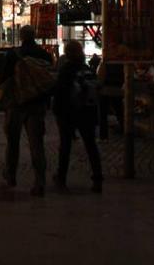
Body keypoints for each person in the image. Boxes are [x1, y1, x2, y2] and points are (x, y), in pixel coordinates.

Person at [0, 25, 53, 197]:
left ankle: (11, 175)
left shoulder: (13, 54)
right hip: (36, 104)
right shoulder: (44, 55)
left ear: (21, 37)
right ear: (34, 36)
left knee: (12, 142)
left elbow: (4, 78)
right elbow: (49, 81)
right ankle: (40, 181)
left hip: (17, 103)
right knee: (37, 144)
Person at [52, 41, 103, 193]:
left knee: (65, 146)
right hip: (87, 112)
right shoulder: (87, 69)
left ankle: (61, 178)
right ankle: (97, 178)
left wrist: (57, 111)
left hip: (68, 112)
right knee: (90, 145)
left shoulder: (66, 70)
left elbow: (59, 92)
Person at [96, 61, 125, 141]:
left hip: (105, 90)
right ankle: (125, 130)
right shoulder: (121, 62)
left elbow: (101, 76)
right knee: (120, 112)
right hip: (118, 90)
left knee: (103, 115)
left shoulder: (105, 62)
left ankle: (103, 136)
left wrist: (98, 87)